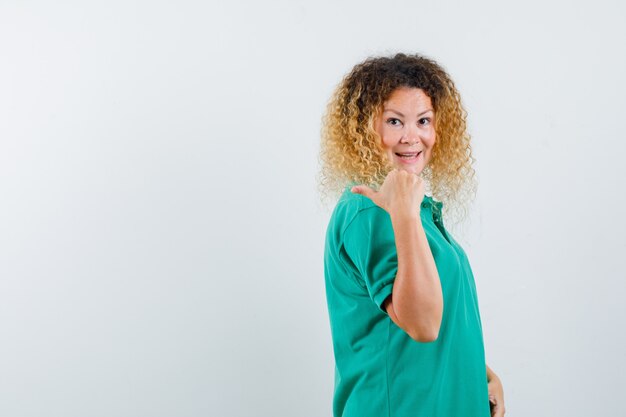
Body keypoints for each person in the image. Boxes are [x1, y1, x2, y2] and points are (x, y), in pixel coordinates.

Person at [319, 53, 506, 417]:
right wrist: (403, 212)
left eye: (423, 120)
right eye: (393, 121)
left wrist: (479, 374)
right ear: (363, 129)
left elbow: (433, 314)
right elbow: (422, 324)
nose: (412, 137)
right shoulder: (372, 210)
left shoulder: (413, 210)